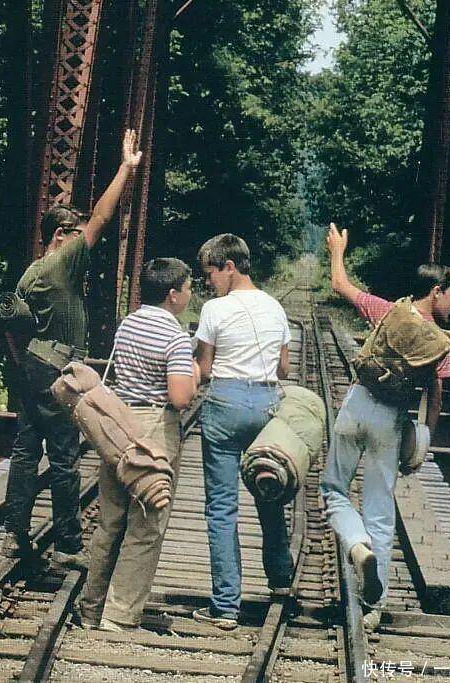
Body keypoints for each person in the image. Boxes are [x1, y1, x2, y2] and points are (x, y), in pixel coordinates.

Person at [2, 129, 142, 569]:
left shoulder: (31, 273)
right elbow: (101, 217)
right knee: (64, 456)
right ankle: (67, 544)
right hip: (58, 370)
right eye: (77, 235)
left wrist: (25, 366)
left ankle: (15, 533)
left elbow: (12, 328)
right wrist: (126, 168)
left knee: (26, 450)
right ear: (61, 235)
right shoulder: (62, 262)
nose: (86, 242)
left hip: (32, 365)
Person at [320, 222, 450, 629]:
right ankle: (374, 606)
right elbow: (434, 396)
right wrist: (423, 441)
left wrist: (337, 249)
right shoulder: (440, 342)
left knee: (333, 490)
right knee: (380, 512)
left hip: (357, 405)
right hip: (390, 421)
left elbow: (340, 284)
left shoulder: (388, 311)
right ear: (436, 291)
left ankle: (355, 544)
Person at [79, 257, 200, 631]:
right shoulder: (175, 337)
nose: (190, 294)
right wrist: (195, 373)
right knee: (146, 524)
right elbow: (180, 398)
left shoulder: (128, 324)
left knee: (110, 521)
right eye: (188, 288)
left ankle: (91, 608)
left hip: (118, 426)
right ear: (172, 295)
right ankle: (119, 615)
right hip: (153, 429)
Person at [192, 233, 294, 630]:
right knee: (270, 494)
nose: (209, 282)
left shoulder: (214, 310)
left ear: (230, 267)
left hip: (225, 403)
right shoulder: (275, 307)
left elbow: (204, 368)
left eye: (211, 274)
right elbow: (283, 369)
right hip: (266, 405)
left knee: (221, 507)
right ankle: (281, 582)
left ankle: (226, 607)